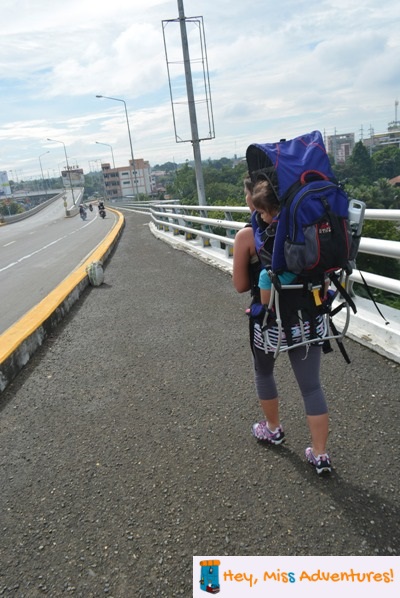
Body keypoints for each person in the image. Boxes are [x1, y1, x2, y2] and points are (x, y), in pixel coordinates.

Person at [233, 177, 332, 475]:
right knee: (311, 386)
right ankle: (320, 454)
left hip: (270, 322)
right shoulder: (309, 226)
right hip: (310, 319)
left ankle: (273, 428)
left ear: (255, 200)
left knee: (263, 371)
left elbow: (239, 285)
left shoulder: (248, 236)